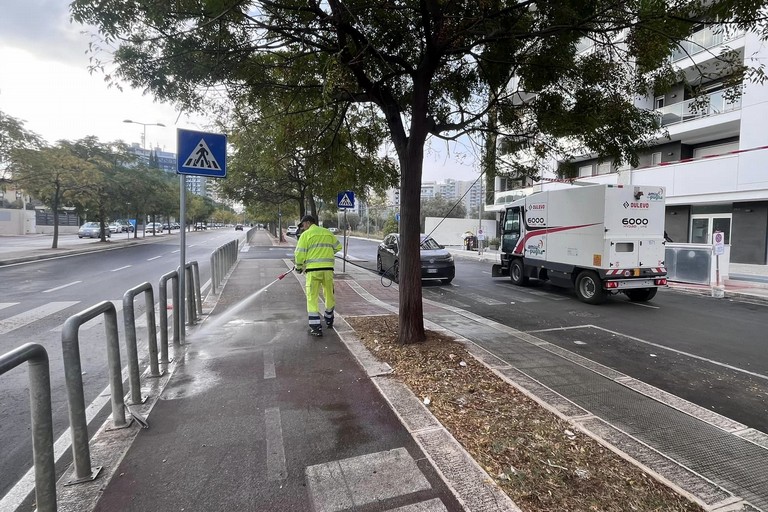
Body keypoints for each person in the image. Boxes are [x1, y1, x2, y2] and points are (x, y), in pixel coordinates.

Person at [294, 214, 343, 337]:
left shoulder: (306, 235)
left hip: (313, 271)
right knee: (329, 294)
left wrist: (299, 267)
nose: (303, 228)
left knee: (312, 297)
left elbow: (299, 254)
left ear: (308, 223)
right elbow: (338, 247)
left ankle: (316, 327)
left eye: (303, 225)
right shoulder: (328, 233)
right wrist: (327, 254)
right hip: (328, 270)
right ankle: (329, 319)